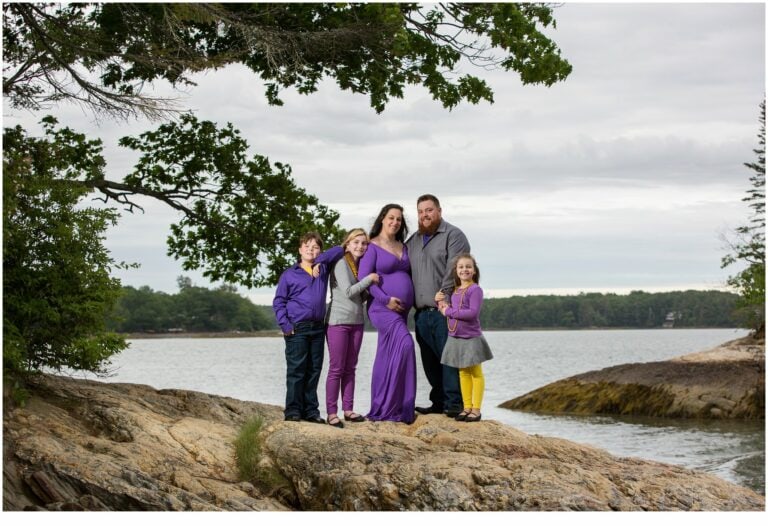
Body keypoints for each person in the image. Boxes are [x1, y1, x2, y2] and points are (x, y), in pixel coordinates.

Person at [405, 194, 470, 418]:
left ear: (439, 211)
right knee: (430, 360)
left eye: (429, 210)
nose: (425, 215)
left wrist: (443, 300)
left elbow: (455, 271)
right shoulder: (412, 241)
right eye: (421, 212)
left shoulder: (453, 235)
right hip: (421, 313)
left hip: (447, 311)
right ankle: (438, 402)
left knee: (450, 359)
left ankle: (455, 403)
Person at [273, 232, 344, 423]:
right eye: (307, 246)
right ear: (299, 250)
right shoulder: (289, 274)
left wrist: (319, 261)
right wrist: (285, 325)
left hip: (318, 328)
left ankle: (311, 411)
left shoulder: (323, 270)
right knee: (297, 371)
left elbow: (339, 249)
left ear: (320, 250)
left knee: (314, 370)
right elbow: (279, 302)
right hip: (297, 328)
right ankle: (293, 411)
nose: (310, 250)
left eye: (315, 247)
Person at [358, 204, 417, 424]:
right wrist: (386, 299)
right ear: (382, 218)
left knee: (385, 356)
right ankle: (395, 406)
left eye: (399, 219)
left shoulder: (403, 246)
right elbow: (364, 280)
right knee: (406, 345)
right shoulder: (371, 246)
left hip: (401, 311)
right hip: (381, 308)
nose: (395, 222)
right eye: (391, 217)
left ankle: (389, 406)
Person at [324, 228, 379, 428]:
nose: (360, 246)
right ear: (347, 244)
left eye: (364, 243)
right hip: (338, 322)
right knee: (336, 369)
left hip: (357, 322)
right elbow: (348, 292)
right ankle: (331, 413)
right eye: (356, 242)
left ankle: (348, 410)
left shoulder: (361, 266)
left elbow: (360, 296)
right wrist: (370, 279)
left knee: (350, 368)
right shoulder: (341, 263)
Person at [436, 253, 493, 422]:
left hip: (471, 337)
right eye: (461, 267)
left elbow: (472, 313)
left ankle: (476, 409)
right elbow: (448, 310)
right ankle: (466, 407)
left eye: (468, 267)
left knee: (476, 373)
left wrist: (449, 311)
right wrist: (440, 303)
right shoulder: (455, 290)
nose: (464, 270)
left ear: (474, 271)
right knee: (462, 373)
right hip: (456, 337)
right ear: (456, 270)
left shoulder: (475, 290)